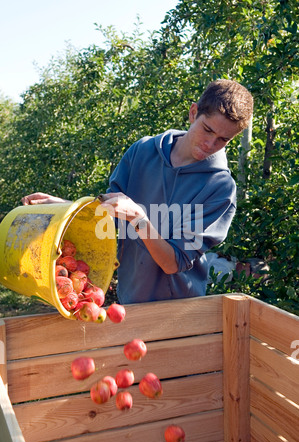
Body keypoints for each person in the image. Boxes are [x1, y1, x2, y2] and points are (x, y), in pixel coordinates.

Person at [22, 79, 253, 304]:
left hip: (180, 311)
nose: (210, 145)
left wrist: (138, 218)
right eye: (207, 130)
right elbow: (110, 218)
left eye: (223, 139)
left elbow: (173, 262)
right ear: (193, 113)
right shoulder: (142, 152)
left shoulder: (219, 187)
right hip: (130, 298)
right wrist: (66, 207)